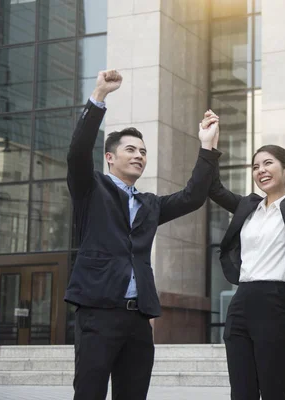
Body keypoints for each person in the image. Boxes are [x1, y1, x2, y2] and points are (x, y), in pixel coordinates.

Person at [65, 69, 220, 400]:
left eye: (143, 152)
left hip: (138, 317)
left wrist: (207, 146)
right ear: (110, 158)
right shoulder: (91, 189)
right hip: (98, 310)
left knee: (133, 393)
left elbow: (193, 197)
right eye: (131, 150)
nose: (139, 156)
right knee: (89, 392)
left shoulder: (150, 204)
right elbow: (77, 153)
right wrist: (99, 97)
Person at [203, 91, 285, 400]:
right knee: (241, 391)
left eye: (268, 163)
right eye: (255, 166)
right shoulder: (248, 206)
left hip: (273, 302)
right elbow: (213, 187)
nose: (261, 171)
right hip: (241, 302)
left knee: (273, 388)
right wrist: (208, 145)